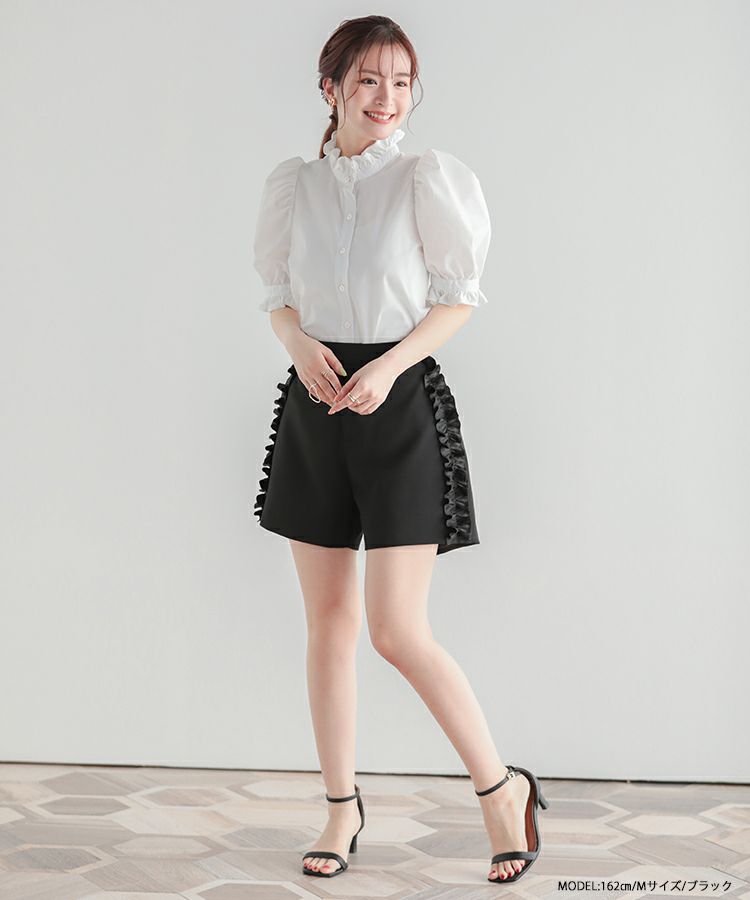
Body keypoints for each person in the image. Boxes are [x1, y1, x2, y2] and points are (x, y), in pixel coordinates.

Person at [251, 14, 548, 886]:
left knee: (395, 629)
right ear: (331, 87)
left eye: (403, 82)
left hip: (400, 404)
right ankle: (340, 808)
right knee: (328, 626)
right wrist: (297, 343)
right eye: (370, 80)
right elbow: (277, 292)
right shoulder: (294, 184)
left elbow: (458, 298)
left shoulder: (427, 178)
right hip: (316, 406)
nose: (388, 98)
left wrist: (389, 366)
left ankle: (501, 790)